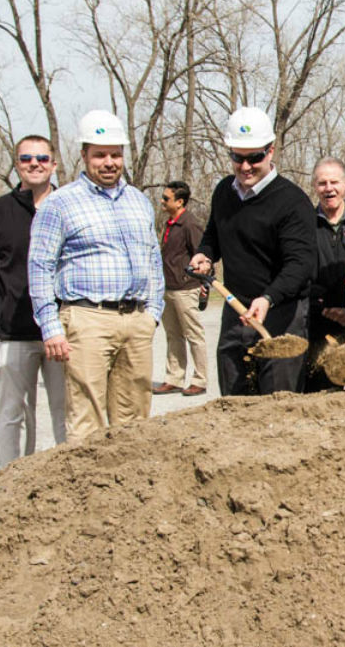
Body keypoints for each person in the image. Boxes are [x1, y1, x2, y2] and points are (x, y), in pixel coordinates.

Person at [28, 111, 164, 440]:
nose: (109, 162)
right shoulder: (60, 204)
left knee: (135, 420)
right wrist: (50, 326)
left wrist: (153, 314)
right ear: (84, 156)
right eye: (100, 154)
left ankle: (128, 489)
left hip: (136, 319)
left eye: (115, 154)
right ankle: (87, 492)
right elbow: (39, 266)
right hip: (87, 318)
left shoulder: (139, 201)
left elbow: (153, 259)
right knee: (86, 418)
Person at [189, 107, 316, 395]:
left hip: (281, 314)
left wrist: (269, 298)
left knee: (278, 404)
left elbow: (301, 263)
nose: (245, 166)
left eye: (254, 158)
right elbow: (213, 235)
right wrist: (204, 255)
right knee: (234, 402)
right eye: (238, 157)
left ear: (271, 152)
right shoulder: (224, 191)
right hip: (236, 312)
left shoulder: (292, 202)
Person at [0, 135, 67, 467]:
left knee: (66, 412)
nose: (35, 164)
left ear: (54, 165)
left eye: (42, 158)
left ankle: (68, 479)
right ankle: (7, 480)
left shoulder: (69, 206)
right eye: (27, 158)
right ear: (17, 165)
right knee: (12, 414)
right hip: (11, 331)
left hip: (62, 330)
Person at [305, 157, 345, 391]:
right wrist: (323, 308)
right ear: (315, 186)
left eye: (334, 182)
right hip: (317, 325)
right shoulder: (304, 223)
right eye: (322, 183)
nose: (329, 188)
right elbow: (297, 273)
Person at [153, 180, 208, 397]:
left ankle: (200, 380)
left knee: (194, 335)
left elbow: (203, 256)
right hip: (168, 288)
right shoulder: (169, 223)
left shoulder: (190, 224)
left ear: (180, 201)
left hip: (186, 288)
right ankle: (174, 378)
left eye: (166, 198)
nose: (162, 201)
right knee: (173, 335)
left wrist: (203, 285)